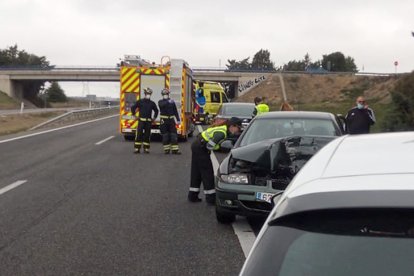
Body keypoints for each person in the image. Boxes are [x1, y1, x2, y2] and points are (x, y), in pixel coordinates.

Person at [188, 117, 242, 204]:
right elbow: (210, 146)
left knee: (196, 172)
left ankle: (193, 195)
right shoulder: (222, 133)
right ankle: (211, 199)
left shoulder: (223, 129)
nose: (237, 131)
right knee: (207, 172)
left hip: (197, 145)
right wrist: (221, 148)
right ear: (232, 126)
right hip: (201, 148)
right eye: (238, 128)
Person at [131, 87, 159, 154]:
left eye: (149, 94)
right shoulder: (140, 101)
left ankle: (146, 149)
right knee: (139, 135)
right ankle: (137, 149)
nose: (148, 95)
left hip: (148, 122)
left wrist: (154, 118)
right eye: (147, 93)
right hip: (141, 121)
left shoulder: (152, 103)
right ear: (145, 94)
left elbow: (156, 111)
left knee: (147, 135)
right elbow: (133, 108)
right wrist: (134, 115)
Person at [158, 88, 181, 154]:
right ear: (162, 95)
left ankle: (175, 150)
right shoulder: (160, 101)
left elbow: (175, 111)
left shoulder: (172, 102)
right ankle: (166, 149)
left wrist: (178, 119)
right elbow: (161, 105)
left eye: (167, 94)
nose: (166, 95)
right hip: (163, 121)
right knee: (165, 135)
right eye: (164, 94)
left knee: (173, 134)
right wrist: (168, 101)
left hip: (171, 120)